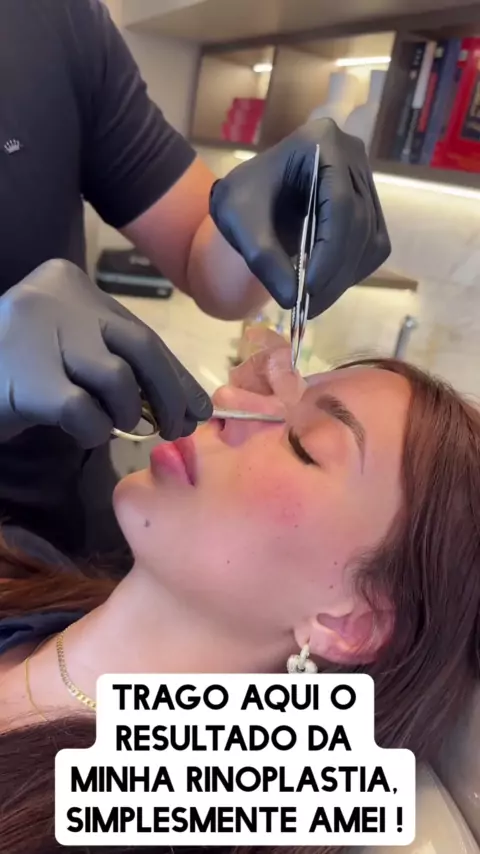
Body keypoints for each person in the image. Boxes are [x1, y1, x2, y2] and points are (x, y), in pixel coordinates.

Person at [0, 332, 479, 854]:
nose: (227, 400)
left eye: (303, 445)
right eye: (273, 397)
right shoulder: (21, 560)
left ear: (350, 625)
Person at [0, 0, 390, 569]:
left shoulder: (51, 19)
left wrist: (274, 211)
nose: (226, 397)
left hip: (72, 518)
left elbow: (198, 252)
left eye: (305, 448)